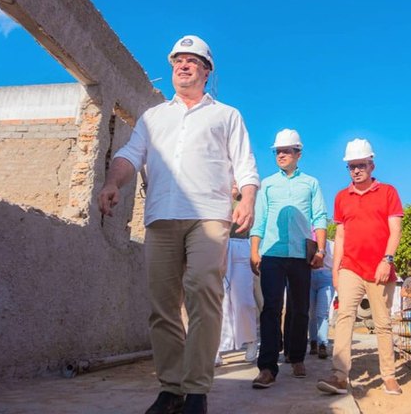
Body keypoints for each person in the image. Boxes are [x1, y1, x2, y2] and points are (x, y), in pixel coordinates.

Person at [97, 34, 259, 414]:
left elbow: (246, 164)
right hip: (160, 217)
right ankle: (171, 389)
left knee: (203, 292)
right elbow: (130, 154)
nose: (182, 66)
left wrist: (247, 198)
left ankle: (198, 390)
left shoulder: (227, 115)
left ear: (206, 70)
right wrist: (111, 182)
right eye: (176, 61)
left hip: (208, 217)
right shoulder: (154, 117)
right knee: (162, 306)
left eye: (191, 61)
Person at [317, 138, 404, 396]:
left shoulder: (388, 192)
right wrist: (336, 269)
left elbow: (395, 229)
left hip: (380, 268)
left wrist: (387, 260)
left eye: (361, 165)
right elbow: (341, 236)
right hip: (350, 268)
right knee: (344, 317)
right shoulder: (342, 197)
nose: (356, 170)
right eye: (351, 166)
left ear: (372, 165)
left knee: (382, 322)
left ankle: (388, 376)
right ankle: (339, 376)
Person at [250, 129, 328, 388]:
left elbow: (319, 217)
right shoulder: (268, 184)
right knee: (271, 308)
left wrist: (321, 250)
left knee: (299, 308)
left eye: (286, 150)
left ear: (298, 153)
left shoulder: (311, 184)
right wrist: (254, 249)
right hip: (271, 253)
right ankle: (267, 368)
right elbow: (259, 219)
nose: (281, 155)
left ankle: (296, 356)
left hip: (300, 255)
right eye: (277, 151)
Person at [216, 220, 259, 366]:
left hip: (242, 244)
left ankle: (251, 339)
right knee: (220, 300)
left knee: (243, 300)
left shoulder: (250, 196)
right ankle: (216, 347)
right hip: (219, 242)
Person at [308, 239, 335, 359]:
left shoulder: (332, 245)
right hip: (309, 276)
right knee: (311, 313)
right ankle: (313, 341)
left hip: (326, 277)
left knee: (322, 312)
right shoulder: (308, 244)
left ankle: (323, 344)